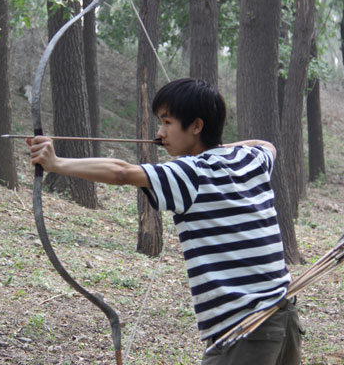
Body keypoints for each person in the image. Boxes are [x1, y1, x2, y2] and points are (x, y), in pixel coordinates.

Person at [27, 78, 302, 365]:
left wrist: (56, 164)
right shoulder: (252, 158)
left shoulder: (189, 173)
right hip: (284, 317)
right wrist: (218, 145)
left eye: (167, 122)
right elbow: (266, 145)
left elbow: (121, 173)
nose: (160, 133)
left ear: (196, 126)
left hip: (244, 330)